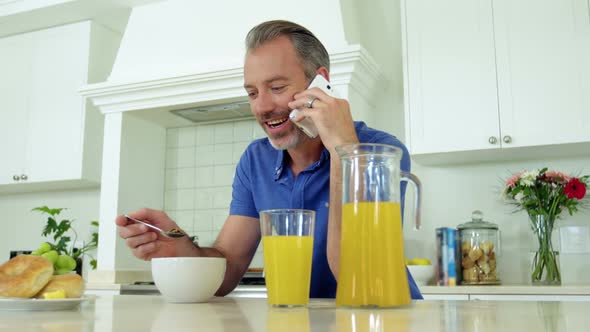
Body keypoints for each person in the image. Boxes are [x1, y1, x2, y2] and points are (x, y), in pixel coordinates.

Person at [116, 20, 422, 299]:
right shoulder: (256, 160)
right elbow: (227, 271)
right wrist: (180, 246)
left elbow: (362, 279)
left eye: (276, 88)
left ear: (319, 82)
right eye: (252, 93)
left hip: (383, 316)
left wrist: (344, 151)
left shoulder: (379, 151)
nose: (262, 107)